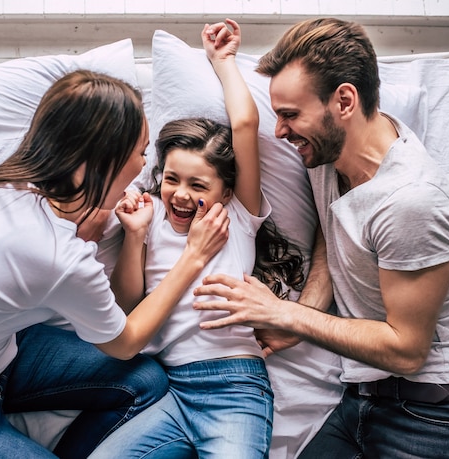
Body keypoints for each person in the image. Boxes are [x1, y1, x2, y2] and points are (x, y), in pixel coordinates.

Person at [0, 69, 230, 459]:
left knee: (147, 381)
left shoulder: (12, 183)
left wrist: (97, 232)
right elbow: (127, 342)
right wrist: (193, 257)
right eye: (141, 152)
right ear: (102, 162)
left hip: (0, 356)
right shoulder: (58, 257)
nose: (145, 165)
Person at [193, 17, 449, 459]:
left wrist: (287, 315)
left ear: (345, 100)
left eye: (291, 115)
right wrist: (306, 310)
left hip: (431, 418)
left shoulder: (412, 202)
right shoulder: (332, 153)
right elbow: (338, 235)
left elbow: (406, 350)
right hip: (362, 402)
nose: (280, 131)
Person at [88, 19, 304, 459]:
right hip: (167, 388)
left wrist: (222, 61)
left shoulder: (237, 216)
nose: (181, 195)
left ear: (226, 189)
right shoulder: (150, 220)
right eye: (171, 179)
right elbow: (127, 307)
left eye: (198, 186)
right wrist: (135, 237)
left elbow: (244, 123)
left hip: (233, 386)